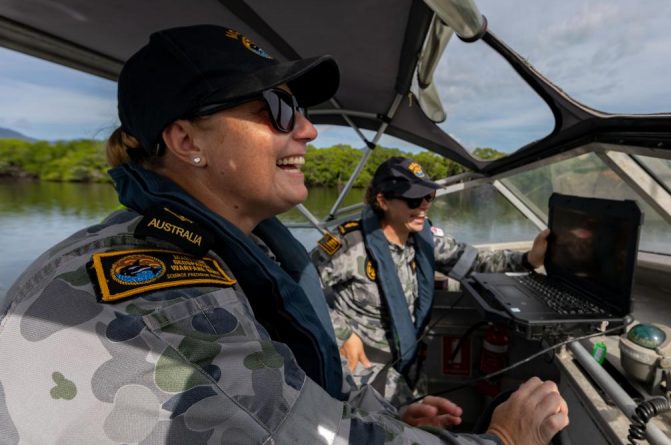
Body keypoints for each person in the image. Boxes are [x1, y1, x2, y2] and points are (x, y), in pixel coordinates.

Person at [0, 24, 567, 444]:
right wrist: (508, 441)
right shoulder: (159, 302)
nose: (309, 130)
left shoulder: (243, 247)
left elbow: (290, 389)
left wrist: (381, 415)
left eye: (298, 108)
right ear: (187, 142)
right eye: (276, 108)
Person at [311, 157, 551, 405]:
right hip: (365, 367)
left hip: (410, 363)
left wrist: (530, 258)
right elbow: (302, 287)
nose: (424, 206)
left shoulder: (425, 239)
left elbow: (475, 263)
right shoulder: (349, 243)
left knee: (429, 422)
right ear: (383, 201)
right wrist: (343, 334)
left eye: (429, 197)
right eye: (414, 199)